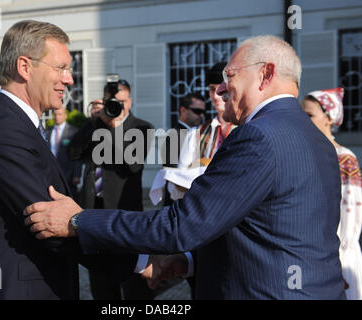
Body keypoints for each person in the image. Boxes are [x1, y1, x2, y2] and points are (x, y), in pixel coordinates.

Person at [24, 35, 346, 299]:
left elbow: (181, 226)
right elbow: (267, 227)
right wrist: (189, 261)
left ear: (266, 73)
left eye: (229, 77)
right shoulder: (318, 141)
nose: (220, 89)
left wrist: (79, 220)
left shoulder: (258, 137)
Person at [0, 20, 138, 299]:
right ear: (25, 67)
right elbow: (51, 227)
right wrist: (139, 262)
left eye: (70, 69)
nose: (69, 79)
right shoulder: (4, 130)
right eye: (61, 68)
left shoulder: (14, 123)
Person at [68, 80, 155, 300]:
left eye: (123, 102)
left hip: (124, 212)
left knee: (133, 281)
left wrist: (115, 129)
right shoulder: (96, 125)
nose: (119, 106)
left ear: (130, 101)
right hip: (94, 210)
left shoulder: (142, 127)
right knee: (100, 282)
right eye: (113, 102)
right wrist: (94, 122)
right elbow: (73, 153)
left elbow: (132, 164)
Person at [301, 88, 362, 300]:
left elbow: (351, 212)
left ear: (329, 118)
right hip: (308, 254)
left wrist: (338, 251)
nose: (304, 121)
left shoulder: (345, 158)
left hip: (337, 255)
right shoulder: (303, 154)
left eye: (310, 115)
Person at [161, 93, 206, 205]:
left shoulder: (198, 134)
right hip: (177, 200)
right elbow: (173, 173)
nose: (201, 115)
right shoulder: (175, 135)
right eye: (197, 111)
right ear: (183, 110)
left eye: (203, 112)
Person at [47, 107, 82, 202]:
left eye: (60, 114)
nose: (57, 117)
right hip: (52, 174)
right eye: (55, 114)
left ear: (65, 116)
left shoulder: (73, 132)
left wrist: (77, 174)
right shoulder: (48, 132)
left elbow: (77, 155)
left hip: (68, 174)